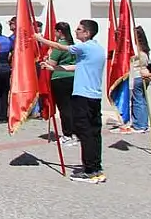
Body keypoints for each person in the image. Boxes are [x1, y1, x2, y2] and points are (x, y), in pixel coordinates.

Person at [35, 19, 107, 183]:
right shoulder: (96, 48)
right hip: (94, 97)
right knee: (94, 134)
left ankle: (90, 171)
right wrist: (55, 68)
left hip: (84, 96)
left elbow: (62, 47)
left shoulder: (86, 46)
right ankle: (96, 167)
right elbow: (77, 67)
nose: (76, 31)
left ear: (87, 33)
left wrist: (40, 39)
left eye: (79, 29)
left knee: (85, 133)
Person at [44, 22, 78, 146]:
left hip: (60, 78)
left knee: (64, 108)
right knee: (72, 107)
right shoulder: (72, 45)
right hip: (73, 77)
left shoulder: (60, 47)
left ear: (59, 32)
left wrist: (46, 59)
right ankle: (75, 132)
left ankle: (68, 134)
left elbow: (51, 64)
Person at [115, 26, 151, 134]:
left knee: (137, 100)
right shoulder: (144, 48)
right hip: (144, 75)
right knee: (142, 101)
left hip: (137, 76)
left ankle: (139, 125)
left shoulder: (136, 49)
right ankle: (143, 123)